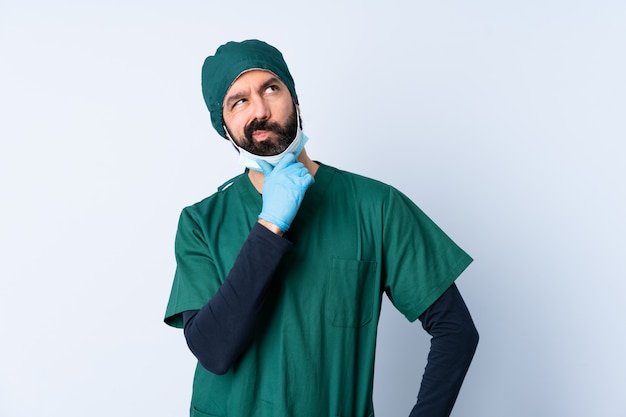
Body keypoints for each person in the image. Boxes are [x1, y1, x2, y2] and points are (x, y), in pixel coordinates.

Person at [164, 39, 479, 417]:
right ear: (225, 127)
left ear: (295, 100)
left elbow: (456, 331)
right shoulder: (201, 223)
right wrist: (270, 226)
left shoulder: (375, 207)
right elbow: (213, 350)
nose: (260, 110)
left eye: (271, 88)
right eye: (239, 101)